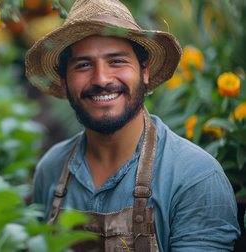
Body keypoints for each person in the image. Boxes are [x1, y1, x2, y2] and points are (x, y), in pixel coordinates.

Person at [25, 0, 241, 251]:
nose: (101, 79)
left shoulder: (195, 178)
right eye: (83, 65)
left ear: (144, 69)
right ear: (64, 81)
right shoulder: (51, 170)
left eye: (116, 61)